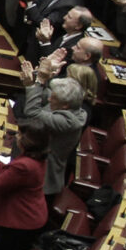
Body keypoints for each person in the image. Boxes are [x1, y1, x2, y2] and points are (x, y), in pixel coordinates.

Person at [19, 68, 87, 200]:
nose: (50, 98)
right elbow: (46, 95)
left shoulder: (67, 122)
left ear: (65, 105)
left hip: (45, 179)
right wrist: (34, 80)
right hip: (37, 166)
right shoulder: (70, 107)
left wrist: (36, 84)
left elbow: (32, 113)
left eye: (53, 97)